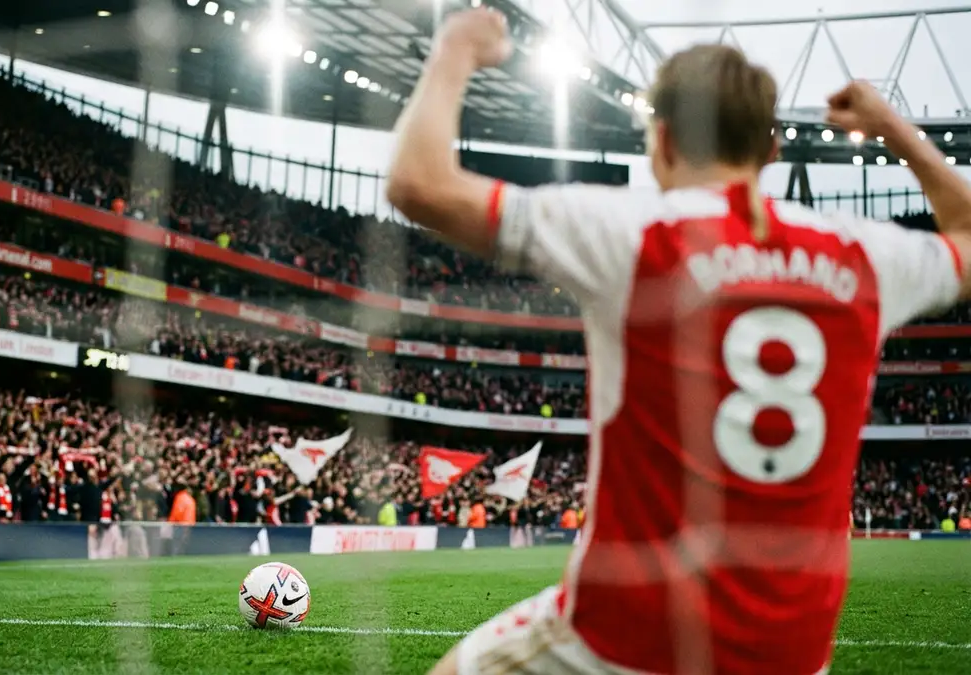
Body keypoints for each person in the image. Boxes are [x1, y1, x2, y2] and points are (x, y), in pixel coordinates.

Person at [387, 9, 971, 675]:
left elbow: (418, 183)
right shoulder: (865, 256)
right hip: (791, 655)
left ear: (661, 141)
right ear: (771, 150)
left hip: (625, 639)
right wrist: (896, 129)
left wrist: (455, 50)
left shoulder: (634, 234)